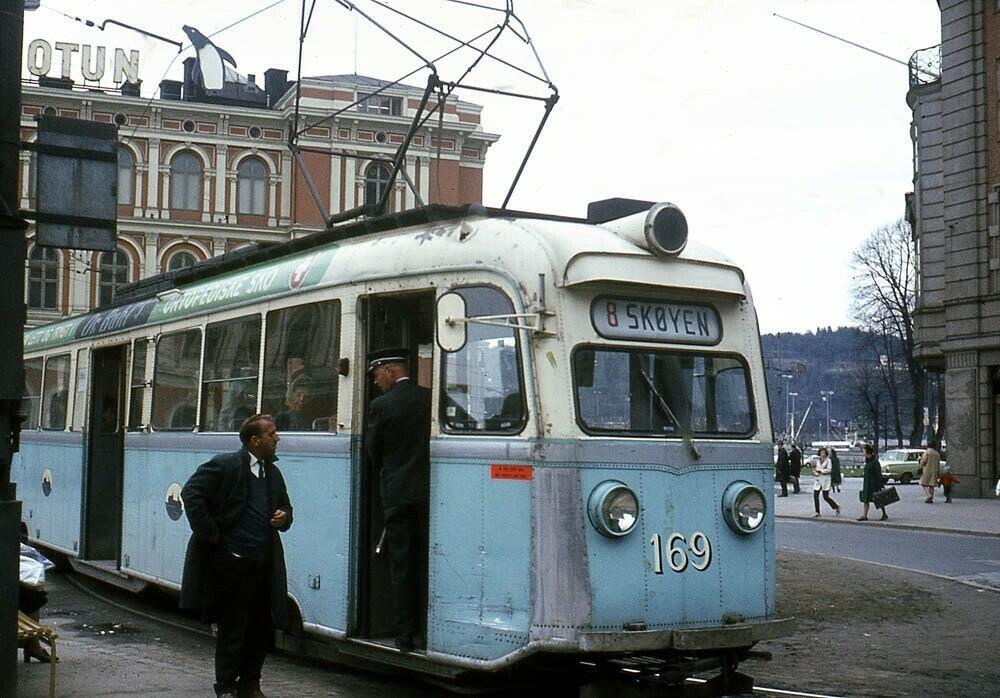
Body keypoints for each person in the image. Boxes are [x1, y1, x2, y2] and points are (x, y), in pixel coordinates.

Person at [180, 414, 293, 698]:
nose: (277, 438)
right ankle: (227, 686)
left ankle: (251, 683)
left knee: (261, 626)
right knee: (233, 627)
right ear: (254, 440)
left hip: (263, 562)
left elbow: (285, 509)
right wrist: (213, 535)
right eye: (272, 434)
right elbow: (191, 493)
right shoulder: (225, 465)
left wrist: (284, 517)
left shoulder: (272, 473)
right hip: (232, 562)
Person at [365, 348, 431, 653]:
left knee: (401, 564)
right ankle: (429, 630)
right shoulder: (427, 398)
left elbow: (373, 452)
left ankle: (404, 635)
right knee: (426, 560)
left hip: (396, 493)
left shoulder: (380, 406)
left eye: (377, 374)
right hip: (428, 493)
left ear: (390, 370)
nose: (376, 382)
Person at [857, 443, 888, 521]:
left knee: (878, 499)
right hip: (867, 484)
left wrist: (881, 485)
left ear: (868, 452)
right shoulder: (867, 461)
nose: (863, 453)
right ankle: (864, 515)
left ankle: (884, 513)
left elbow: (878, 474)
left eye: (864, 451)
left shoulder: (875, 462)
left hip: (874, 484)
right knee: (866, 499)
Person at [812, 447, 841, 517]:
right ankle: (817, 512)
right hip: (818, 480)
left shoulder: (828, 461)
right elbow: (817, 468)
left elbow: (829, 470)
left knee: (825, 497)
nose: (823, 454)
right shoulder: (818, 461)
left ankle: (836, 506)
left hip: (826, 480)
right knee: (815, 495)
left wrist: (821, 471)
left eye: (824, 453)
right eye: (821, 453)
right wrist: (815, 472)